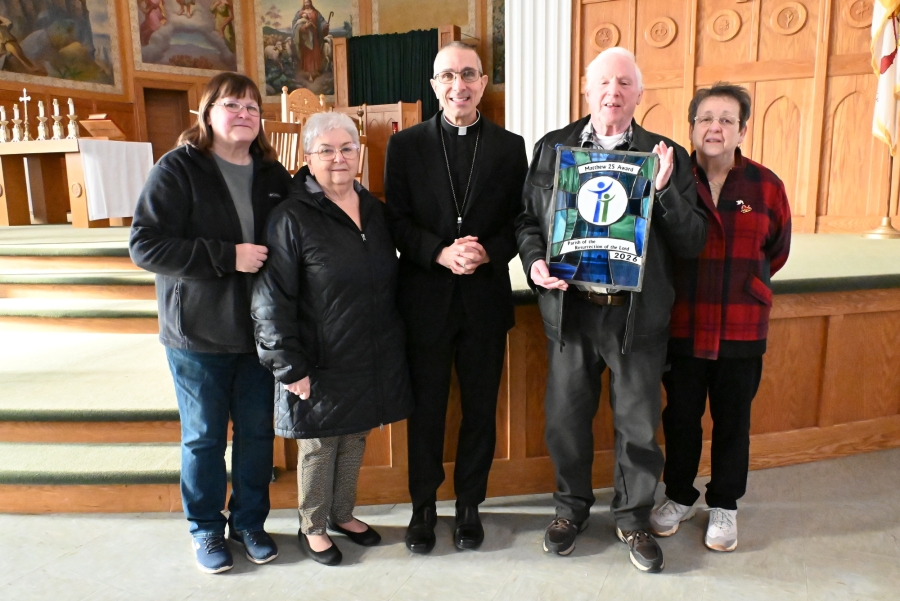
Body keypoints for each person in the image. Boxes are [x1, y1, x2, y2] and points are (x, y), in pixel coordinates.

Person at [516, 47, 707, 573]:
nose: (612, 92)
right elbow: (527, 221)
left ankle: (632, 518)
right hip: (571, 311)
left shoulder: (665, 155)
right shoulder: (553, 148)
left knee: (639, 426)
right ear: (587, 88)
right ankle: (570, 511)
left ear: (639, 93)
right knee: (565, 420)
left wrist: (663, 191)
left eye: (624, 83)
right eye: (603, 82)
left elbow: (692, 241)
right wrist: (534, 262)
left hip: (636, 316)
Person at [130, 72, 291, 574]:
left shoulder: (272, 174)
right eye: (231, 105)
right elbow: (145, 245)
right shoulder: (178, 168)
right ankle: (205, 527)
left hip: (259, 332)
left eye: (251, 107)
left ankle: (249, 523)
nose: (243, 114)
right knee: (204, 438)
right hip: (197, 331)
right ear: (207, 113)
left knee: (257, 435)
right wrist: (226, 256)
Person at [384, 41, 528, 554]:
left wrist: (488, 252)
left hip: (484, 301)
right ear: (434, 85)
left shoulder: (510, 147)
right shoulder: (406, 146)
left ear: (483, 83)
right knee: (426, 412)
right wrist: (439, 253)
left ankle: (470, 505)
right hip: (425, 301)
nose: (458, 85)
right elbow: (396, 220)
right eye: (447, 75)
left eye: (468, 74)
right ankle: (422, 506)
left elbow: (521, 221)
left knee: (480, 411)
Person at [252, 112, 413, 566]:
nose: (338, 158)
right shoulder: (290, 216)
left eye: (347, 148)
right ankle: (313, 525)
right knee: (320, 444)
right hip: (317, 353)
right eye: (326, 150)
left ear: (359, 155)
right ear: (308, 158)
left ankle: (342, 513)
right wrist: (288, 364)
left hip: (366, 347)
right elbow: (271, 298)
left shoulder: (373, 208)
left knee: (355, 436)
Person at [649, 83, 791, 552]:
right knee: (681, 418)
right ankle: (678, 495)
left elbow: (777, 250)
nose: (715, 127)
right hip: (683, 323)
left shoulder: (766, 185)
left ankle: (725, 504)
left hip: (740, 324)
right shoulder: (670, 177)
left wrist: (746, 285)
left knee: (733, 421)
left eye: (727, 120)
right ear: (691, 127)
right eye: (706, 118)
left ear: (742, 131)